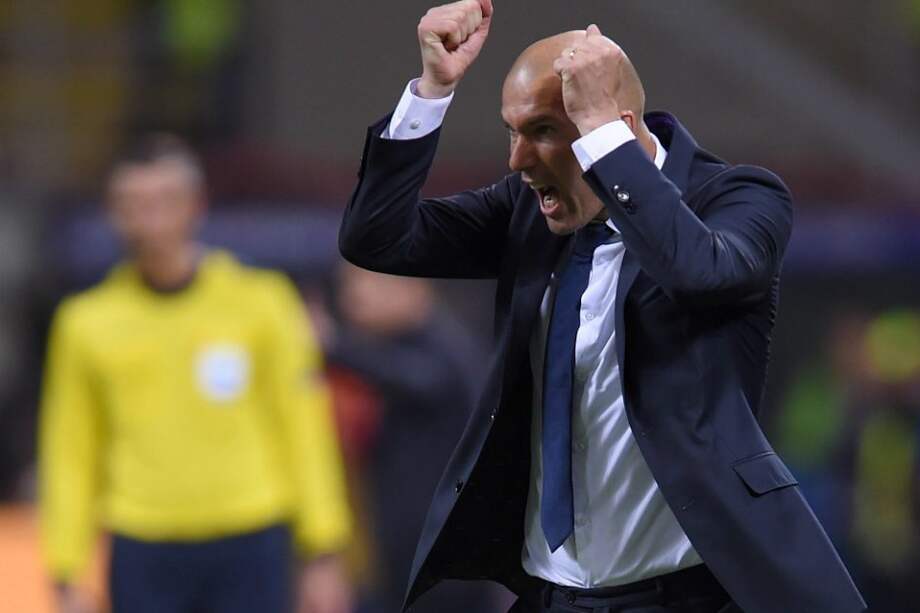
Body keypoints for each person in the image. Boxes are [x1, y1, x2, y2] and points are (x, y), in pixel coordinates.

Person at [338, 1, 867, 612]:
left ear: (614, 127)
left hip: (689, 596)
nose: (518, 161)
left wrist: (603, 139)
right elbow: (377, 239)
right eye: (513, 131)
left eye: (543, 131)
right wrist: (432, 90)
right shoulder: (526, 212)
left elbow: (701, 273)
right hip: (554, 596)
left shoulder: (740, 198)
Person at [39, 135, 354, 613]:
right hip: (143, 540)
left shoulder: (261, 301)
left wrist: (323, 547)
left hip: (251, 533)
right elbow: (70, 448)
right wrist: (66, 568)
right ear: (114, 212)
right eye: (134, 204)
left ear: (196, 205)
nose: (151, 220)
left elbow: (303, 423)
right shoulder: (86, 322)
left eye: (165, 201)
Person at [326, 263, 498, 613]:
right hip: (402, 550)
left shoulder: (446, 347)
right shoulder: (392, 347)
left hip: (447, 556)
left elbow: (420, 379)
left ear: (414, 289)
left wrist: (331, 345)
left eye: (370, 286)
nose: (354, 299)